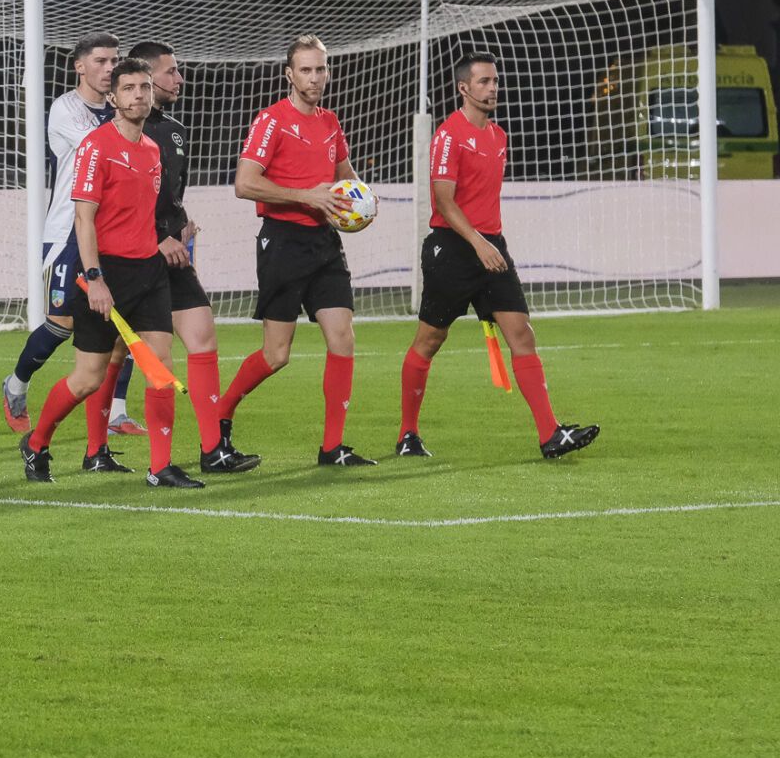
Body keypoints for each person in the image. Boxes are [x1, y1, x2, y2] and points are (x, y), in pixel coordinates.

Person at [398, 51, 600, 459]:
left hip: (492, 247)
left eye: (495, 81)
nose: (493, 88)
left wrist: (489, 243)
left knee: (521, 333)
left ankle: (550, 435)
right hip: (452, 248)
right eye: (484, 82)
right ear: (464, 88)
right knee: (430, 339)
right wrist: (478, 242)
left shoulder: (498, 135)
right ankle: (407, 434)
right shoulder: (448, 135)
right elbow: (444, 200)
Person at [20, 58, 202, 487]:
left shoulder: (153, 149)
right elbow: (83, 221)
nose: (139, 95)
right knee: (87, 379)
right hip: (106, 275)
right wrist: (95, 277)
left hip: (149, 274)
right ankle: (36, 442)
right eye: (129, 89)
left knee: (160, 368)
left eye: (144, 87)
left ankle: (160, 468)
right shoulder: (96, 147)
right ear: (114, 98)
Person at [218, 35, 373, 467]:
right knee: (277, 355)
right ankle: (220, 414)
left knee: (343, 339)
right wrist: (307, 196)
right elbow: (244, 183)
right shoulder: (272, 120)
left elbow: (346, 180)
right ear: (289, 74)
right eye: (306, 69)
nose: (315, 77)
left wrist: (359, 206)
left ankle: (332, 447)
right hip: (282, 241)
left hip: (324, 243)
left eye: (321, 69)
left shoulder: (330, 123)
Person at [128, 40, 259, 474]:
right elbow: (118, 205)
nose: (178, 79)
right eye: (170, 72)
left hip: (173, 252)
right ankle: (90, 450)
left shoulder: (176, 129)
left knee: (203, 338)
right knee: (105, 363)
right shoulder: (127, 130)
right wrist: (153, 237)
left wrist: (181, 223)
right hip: (134, 256)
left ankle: (213, 450)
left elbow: (168, 193)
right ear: (145, 77)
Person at [1, 33, 126, 434]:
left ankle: (115, 413)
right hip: (66, 234)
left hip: (111, 232)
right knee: (61, 323)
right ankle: (16, 383)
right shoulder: (66, 109)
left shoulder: (117, 109)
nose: (110, 68)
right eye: (102, 61)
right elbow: (102, 149)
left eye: (115, 61)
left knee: (122, 326)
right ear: (80, 66)